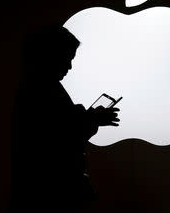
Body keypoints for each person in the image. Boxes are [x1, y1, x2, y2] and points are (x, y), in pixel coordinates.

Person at [10, 24, 120, 212]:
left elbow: (61, 126)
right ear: (49, 56)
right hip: (52, 193)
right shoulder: (41, 90)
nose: (69, 66)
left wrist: (89, 118)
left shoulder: (36, 87)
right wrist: (92, 118)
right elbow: (60, 135)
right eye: (66, 59)